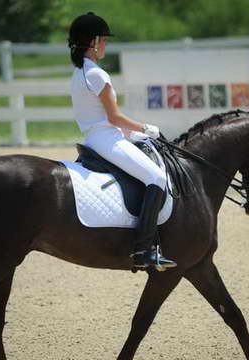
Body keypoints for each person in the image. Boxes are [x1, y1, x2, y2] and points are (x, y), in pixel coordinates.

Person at [68, 12, 176, 270]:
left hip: (98, 137)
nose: (106, 45)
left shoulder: (80, 71)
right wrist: (146, 128)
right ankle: (144, 249)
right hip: (106, 138)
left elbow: (102, 119)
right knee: (157, 178)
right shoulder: (97, 74)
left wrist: (132, 135)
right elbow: (114, 117)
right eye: (103, 40)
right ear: (93, 42)